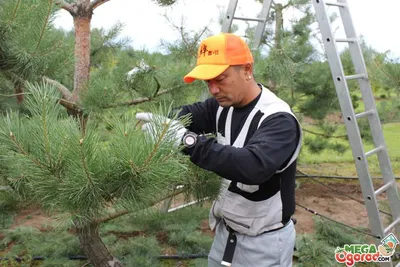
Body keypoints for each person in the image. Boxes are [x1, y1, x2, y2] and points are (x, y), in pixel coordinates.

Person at [136, 32, 302, 267]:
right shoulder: (223, 105)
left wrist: (186, 141)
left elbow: (252, 166)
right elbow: (188, 115)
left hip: (263, 243)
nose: (213, 90)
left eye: (220, 78)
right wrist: (161, 123)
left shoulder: (278, 120)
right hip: (225, 235)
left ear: (246, 70)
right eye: (208, 82)